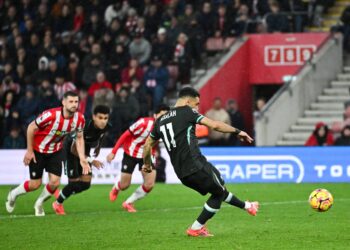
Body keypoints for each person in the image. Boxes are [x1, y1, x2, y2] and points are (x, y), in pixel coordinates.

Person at [143, 87, 258, 237]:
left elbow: (147, 145)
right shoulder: (187, 111)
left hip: (182, 172)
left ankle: (248, 206)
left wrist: (147, 164)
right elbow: (215, 125)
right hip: (195, 164)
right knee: (218, 193)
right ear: (187, 101)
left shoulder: (159, 121)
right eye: (196, 104)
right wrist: (238, 132)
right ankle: (196, 228)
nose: (197, 107)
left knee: (219, 186)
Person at [5, 91, 89, 216]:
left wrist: (82, 158)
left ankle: (39, 204)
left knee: (55, 182)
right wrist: (29, 151)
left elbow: (80, 137)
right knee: (35, 184)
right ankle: (13, 194)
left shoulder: (80, 119)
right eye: (71, 101)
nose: (74, 104)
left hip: (56, 151)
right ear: (63, 102)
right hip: (38, 150)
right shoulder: (51, 115)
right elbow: (31, 127)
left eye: (76, 101)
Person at [106, 104, 170, 212]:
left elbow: (156, 143)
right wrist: (113, 152)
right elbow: (125, 135)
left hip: (146, 155)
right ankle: (117, 187)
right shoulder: (143, 123)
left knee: (149, 184)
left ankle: (128, 202)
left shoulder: (166, 129)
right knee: (125, 185)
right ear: (155, 115)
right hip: (130, 153)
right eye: (162, 115)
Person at [52, 105, 111, 215]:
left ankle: (63, 193)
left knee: (86, 184)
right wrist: (92, 160)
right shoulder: (85, 126)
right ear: (94, 117)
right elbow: (74, 149)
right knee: (73, 184)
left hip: (85, 150)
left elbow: (101, 135)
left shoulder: (107, 126)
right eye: (100, 118)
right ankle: (57, 204)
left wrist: (98, 147)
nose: (103, 121)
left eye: (105, 118)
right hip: (71, 151)